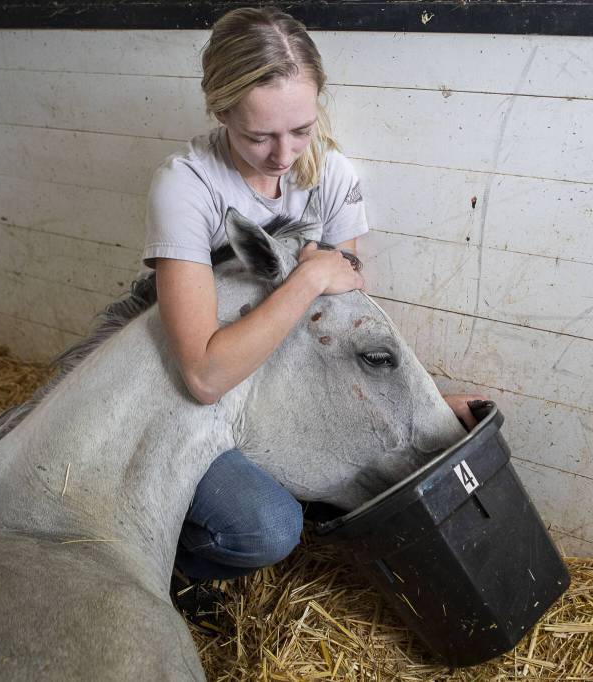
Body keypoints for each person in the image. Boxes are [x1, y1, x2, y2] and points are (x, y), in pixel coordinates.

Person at [142, 7, 483, 630]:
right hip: (192, 389)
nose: (284, 155)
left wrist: (426, 401)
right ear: (220, 112)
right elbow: (203, 376)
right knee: (266, 528)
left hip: (269, 376)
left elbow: (344, 330)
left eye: (301, 129)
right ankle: (163, 567)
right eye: (258, 137)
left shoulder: (330, 175)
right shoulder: (187, 187)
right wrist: (306, 277)